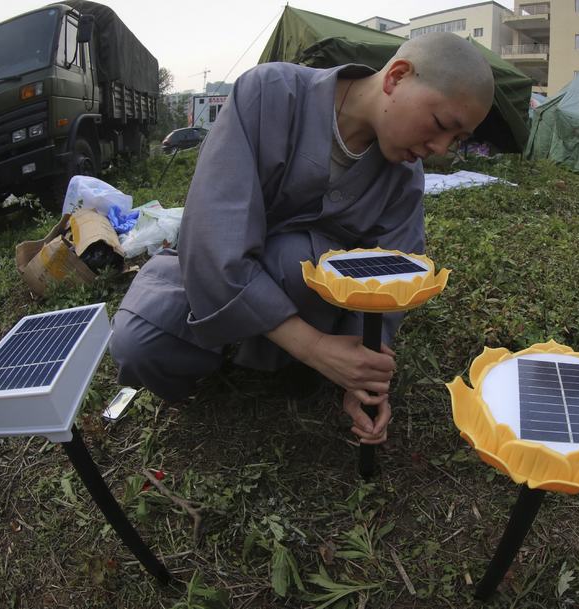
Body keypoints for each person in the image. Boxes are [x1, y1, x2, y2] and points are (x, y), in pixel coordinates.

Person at [109, 33, 494, 446]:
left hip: (306, 299)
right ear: (396, 77)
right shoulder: (267, 94)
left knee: (298, 259)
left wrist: (364, 372)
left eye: (455, 140)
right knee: (138, 344)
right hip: (221, 288)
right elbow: (212, 239)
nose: (438, 148)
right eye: (440, 125)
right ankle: (260, 353)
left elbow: (393, 279)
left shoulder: (403, 175)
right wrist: (314, 350)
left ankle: (272, 354)